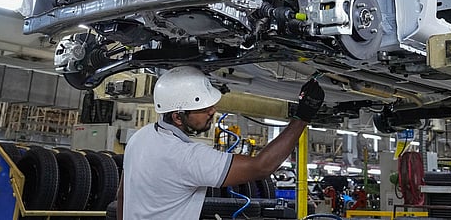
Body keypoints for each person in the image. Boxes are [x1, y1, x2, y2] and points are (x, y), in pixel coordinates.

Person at [117, 66, 325, 219]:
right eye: (203, 109)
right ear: (177, 117)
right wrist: (303, 116)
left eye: (211, 105)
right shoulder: (186, 157)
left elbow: (123, 196)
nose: (212, 111)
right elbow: (261, 167)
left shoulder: (140, 138)